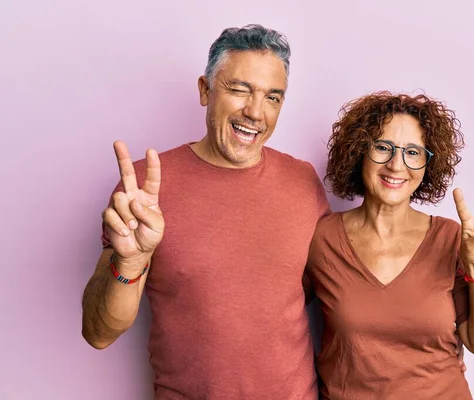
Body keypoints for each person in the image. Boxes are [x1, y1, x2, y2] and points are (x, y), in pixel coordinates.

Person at [81, 24, 331, 399]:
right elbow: (98, 334)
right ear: (205, 90)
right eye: (239, 89)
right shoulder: (145, 188)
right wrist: (131, 261)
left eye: (272, 97)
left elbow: (316, 293)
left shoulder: (303, 181)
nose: (255, 112)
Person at [304, 92, 474, 399]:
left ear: (428, 163)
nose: (396, 164)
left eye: (413, 152)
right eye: (383, 147)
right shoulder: (322, 238)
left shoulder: (450, 238)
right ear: (360, 151)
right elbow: (277, 318)